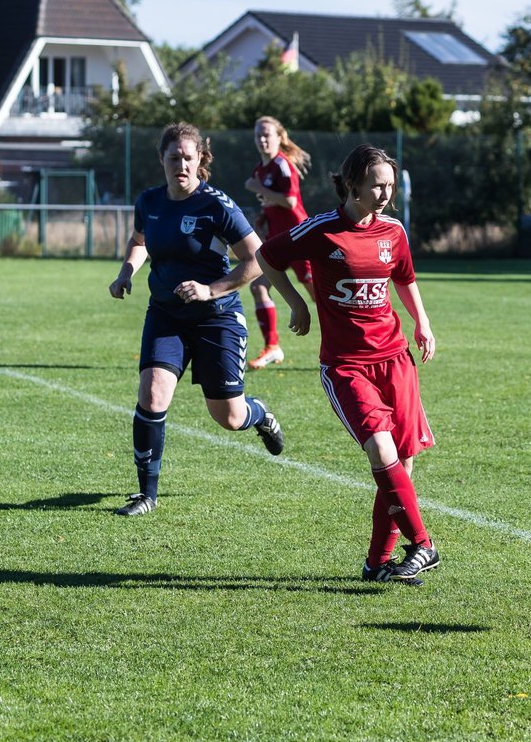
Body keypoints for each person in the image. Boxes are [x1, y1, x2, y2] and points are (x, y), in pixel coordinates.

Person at [256, 144, 439, 583]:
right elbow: (267, 257)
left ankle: (378, 563)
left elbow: (405, 278)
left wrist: (422, 323)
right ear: (353, 183)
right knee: (381, 449)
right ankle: (425, 545)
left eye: (390, 185)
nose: (385, 193)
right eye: (378, 184)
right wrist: (298, 305)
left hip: (395, 358)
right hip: (346, 365)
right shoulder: (321, 229)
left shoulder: (393, 231)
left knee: (401, 465)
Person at [108, 122, 284, 517]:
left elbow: (260, 258)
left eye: (189, 158)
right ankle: (145, 494)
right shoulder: (149, 202)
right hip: (166, 314)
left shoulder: (216, 205)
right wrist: (125, 273)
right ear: (162, 160)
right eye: (174, 158)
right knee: (152, 394)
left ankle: (261, 414)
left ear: (201, 160)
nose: (181, 165)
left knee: (229, 416)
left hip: (216, 319)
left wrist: (212, 289)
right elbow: (140, 242)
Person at [242, 116, 314, 370]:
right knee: (259, 286)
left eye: (267, 135)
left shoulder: (283, 165)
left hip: (299, 238)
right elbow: (272, 206)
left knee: (320, 297)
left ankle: (348, 346)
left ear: (278, 137)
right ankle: (272, 346)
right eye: (258, 135)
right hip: (278, 242)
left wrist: (258, 187)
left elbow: (291, 202)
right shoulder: (260, 170)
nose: (262, 139)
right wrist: (261, 220)